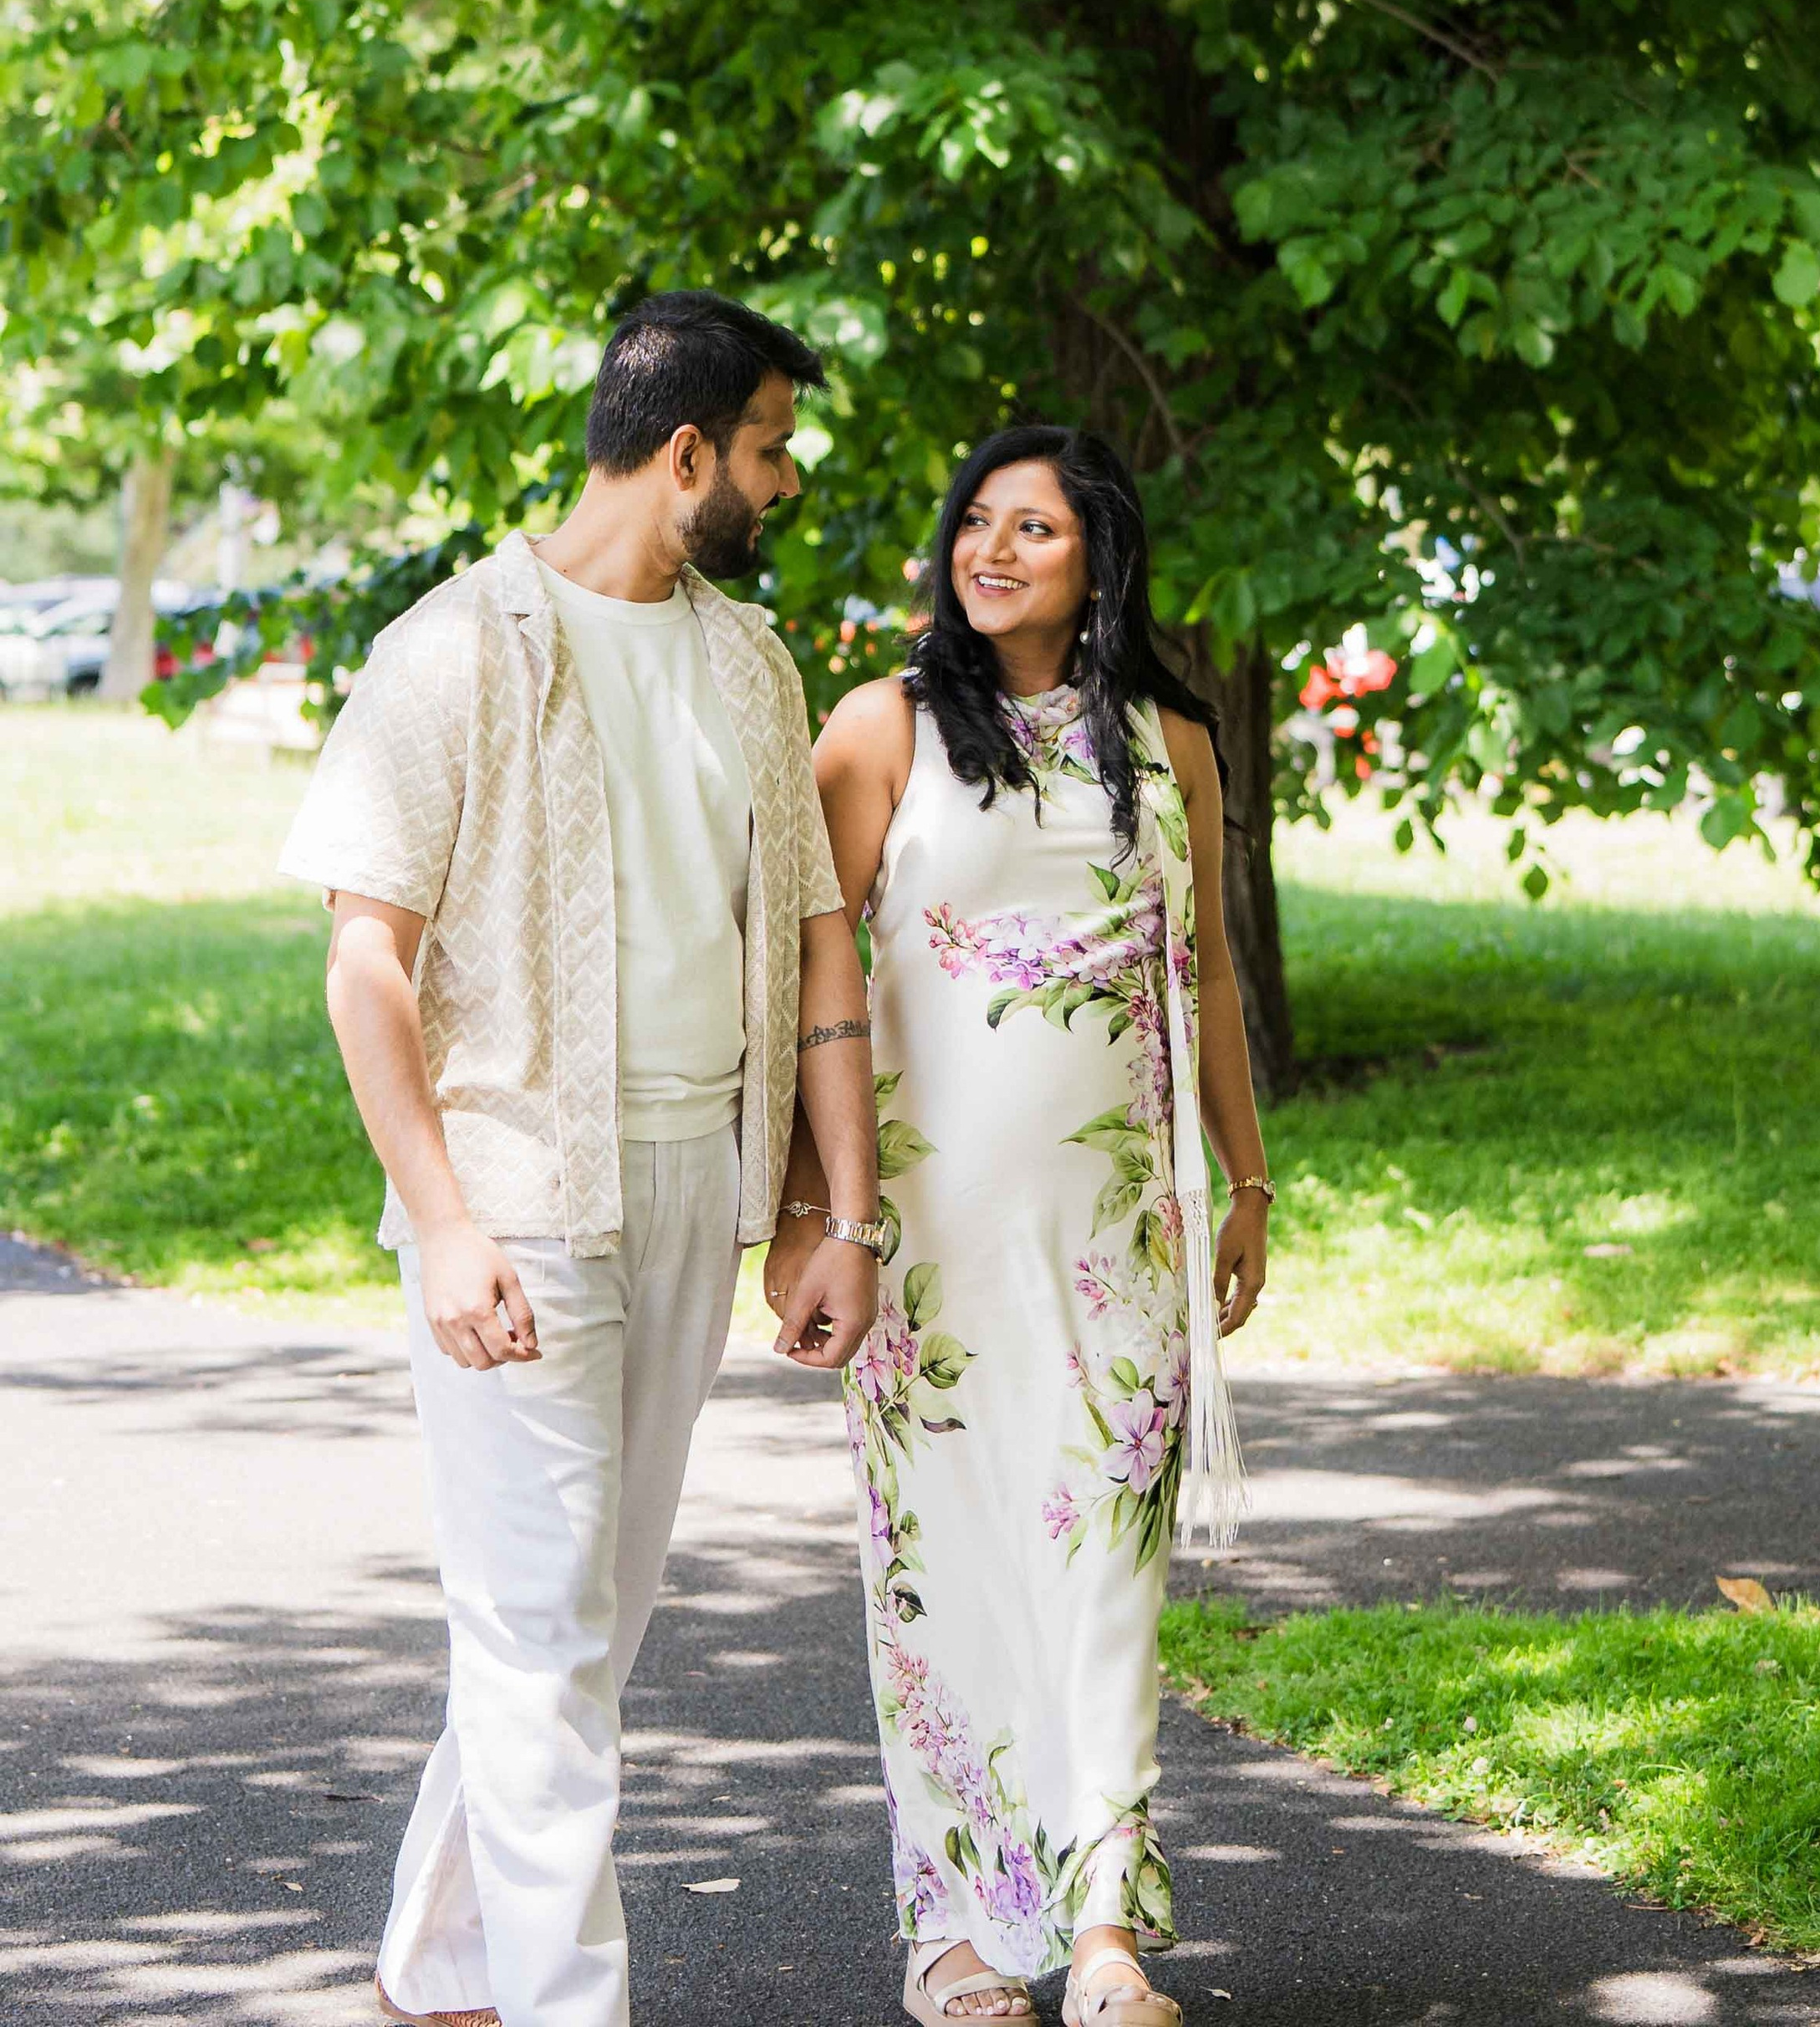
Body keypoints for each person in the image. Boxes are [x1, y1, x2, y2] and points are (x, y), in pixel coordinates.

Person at [280, 289, 885, 2027]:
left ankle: (436, 1964)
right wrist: (443, 1219)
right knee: (539, 1632)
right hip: (520, 1201)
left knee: (589, 1626)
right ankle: (565, 2004)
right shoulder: (452, 651)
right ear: (686, 449)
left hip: (695, 1177)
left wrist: (825, 1211)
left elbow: (815, 950)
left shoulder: (747, 665)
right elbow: (364, 961)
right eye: (768, 447)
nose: (782, 482)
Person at [781, 425, 1272, 2027]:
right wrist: (810, 1214)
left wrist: (1245, 1181)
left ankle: (1107, 1929)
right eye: (976, 523)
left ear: (1100, 557)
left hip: (1119, 1237)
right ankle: (958, 1935)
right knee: (945, 1576)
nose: (993, 551)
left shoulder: (1168, 741)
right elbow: (813, 975)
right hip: (924, 1244)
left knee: (1106, 1573)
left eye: (1036, 530)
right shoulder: (881, 730)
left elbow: (1203, 980)